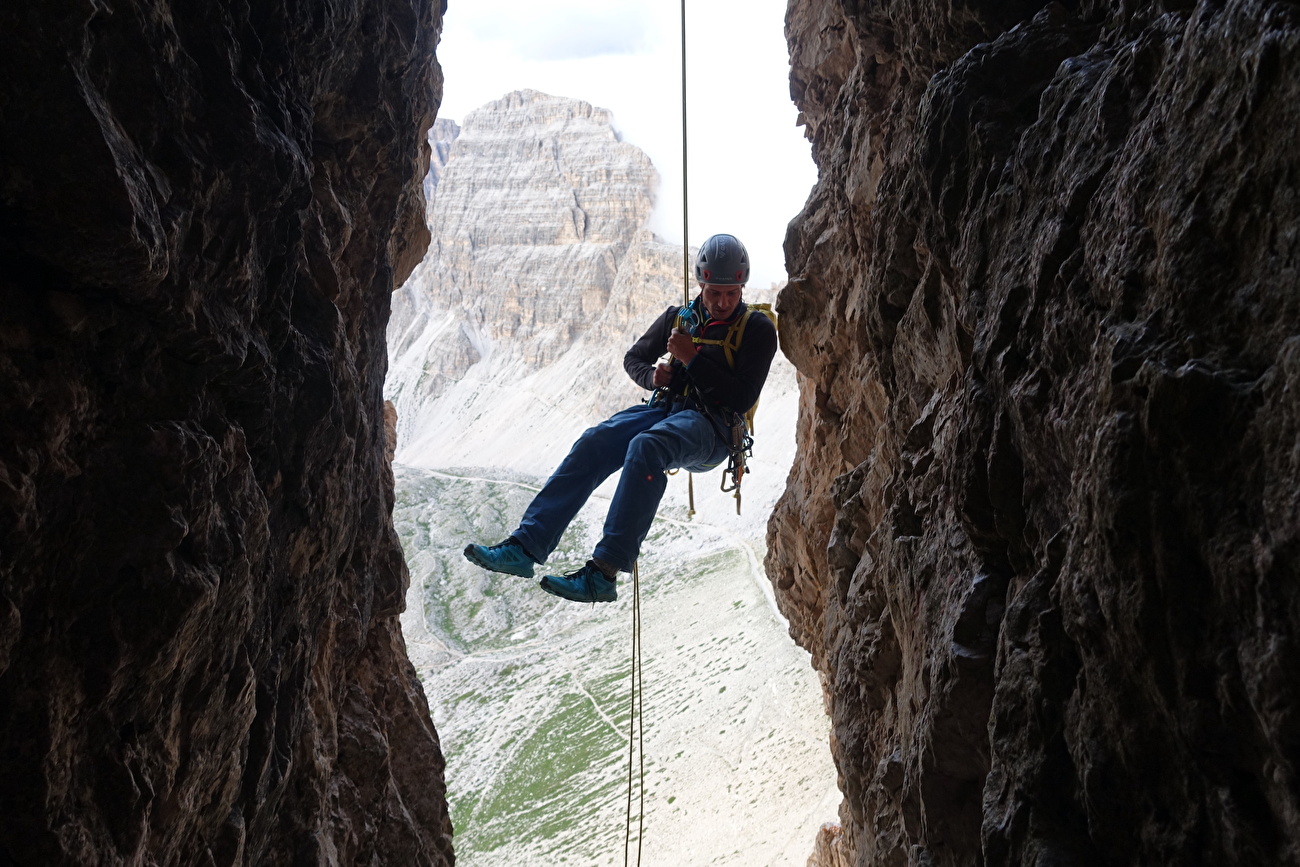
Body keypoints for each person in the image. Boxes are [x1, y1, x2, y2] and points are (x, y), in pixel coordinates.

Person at [463, 233, 778, 603]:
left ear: (741, 286)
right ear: (702, 284)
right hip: (667, 411)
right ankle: (525, 547)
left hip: (714, 429)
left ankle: (603, 573)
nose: (723, 302)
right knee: (596, 441)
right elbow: (635, 359)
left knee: (648, 446)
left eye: (731, 293)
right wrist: (653, 377)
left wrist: (692, 358)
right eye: (714, 293)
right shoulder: (680, 319)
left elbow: (741, 398)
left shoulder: (757, 329)